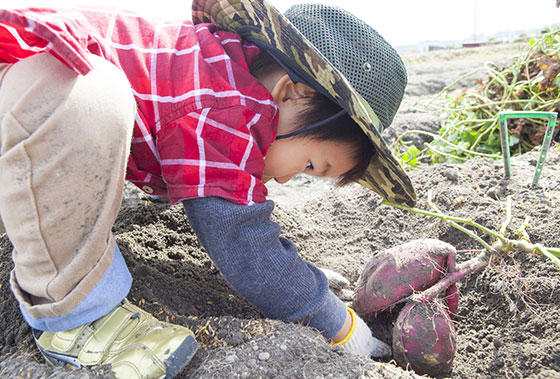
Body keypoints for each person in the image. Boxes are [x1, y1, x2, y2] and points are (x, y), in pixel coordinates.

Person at [0, 0, 416, 377]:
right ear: (291, 93)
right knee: (86, 93)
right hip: (34, 92)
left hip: (22, 130)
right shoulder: (223, 107)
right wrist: (339, 325)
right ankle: (77, 314)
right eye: (310, 165)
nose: (288, 180)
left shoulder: (224, 66)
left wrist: (301, 279)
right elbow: (247, 250)